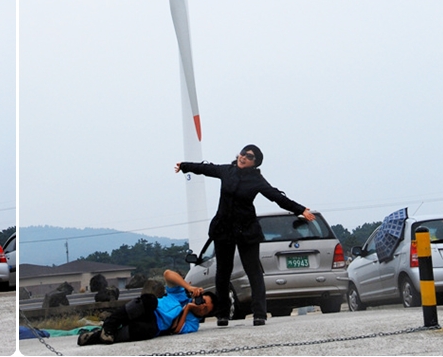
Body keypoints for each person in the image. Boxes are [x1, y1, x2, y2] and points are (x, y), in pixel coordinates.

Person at [175, 144, 315, 327]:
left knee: (253, 271)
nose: (243, 157)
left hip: (246, 229)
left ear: (255, 163)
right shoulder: (227, 171)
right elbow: (205, 168)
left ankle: (259, 314)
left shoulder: (256, 180)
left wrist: (300, 209)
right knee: (223, 273)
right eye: (243, 153)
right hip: (224, 229)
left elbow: (276, 196)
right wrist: (184, 165)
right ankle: (222, 314)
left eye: (249, 156)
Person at [77, 269, 215, 346]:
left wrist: (187, 309)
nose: (202, 306)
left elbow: (176, 329)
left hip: (156, 324)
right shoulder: (180, 295)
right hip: (150, 309)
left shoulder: (193, 324)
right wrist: (188, 287)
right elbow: (167, 274)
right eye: (203, 301)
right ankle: (108, 326)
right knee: (150, 299)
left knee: (146, 331)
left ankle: (96, 337)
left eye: (206, 309)